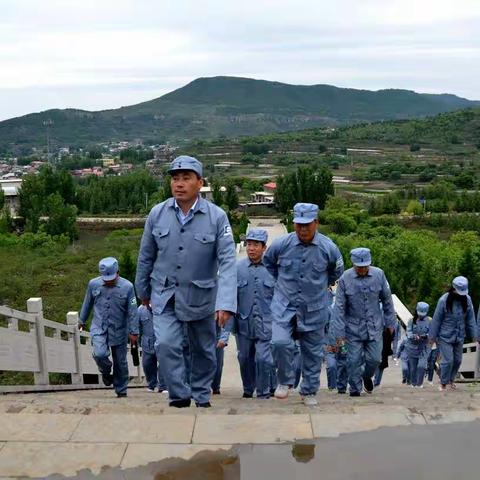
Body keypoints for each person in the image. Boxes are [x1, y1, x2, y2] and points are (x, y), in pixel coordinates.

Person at [135, 156, 237, 408]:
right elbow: (146, 256)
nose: (179, 184)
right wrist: (143, 291)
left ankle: (201, 394)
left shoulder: (217, 217)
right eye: (175, 178)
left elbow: (227, 262)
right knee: (166, 343)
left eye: (186, 178)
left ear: (199, 183)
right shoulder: (157, 214)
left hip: (201, 296)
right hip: (165, 294)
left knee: (203, 350)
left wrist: (225, 303)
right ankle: (179, 394)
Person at [263, 203, 344, 406]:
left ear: (316, 223)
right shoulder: (281, 244)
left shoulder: (328, 248)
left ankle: (309, 390)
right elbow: (269, 263)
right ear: (294, 224)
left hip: (314, 307)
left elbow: (336, 272)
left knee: (313, 352)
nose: (303, 229)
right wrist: (281, 283)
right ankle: (285, 380)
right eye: (299, 225)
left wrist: (321, 286)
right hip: (284, 305)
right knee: (279, 343)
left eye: (307, 225)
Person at [331, 247, 396, 397]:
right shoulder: (345, 279)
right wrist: (339, 333)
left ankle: (366, 376)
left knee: (375, 359)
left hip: (374, 327)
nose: (362, 270)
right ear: (353, 265)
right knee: (353, 361)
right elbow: (339, 308)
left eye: (365, 266)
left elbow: (387, 301)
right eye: (359, 267)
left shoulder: (379, 275)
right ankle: (355, 390)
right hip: (352, 328)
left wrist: (390, 323)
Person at [224, 228, 275, 399]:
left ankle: (263, 391)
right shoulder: (237, 268)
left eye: (255, 245)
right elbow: (231, 299)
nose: (251, 248)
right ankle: (248, 388)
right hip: (244, 324)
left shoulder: (273, 270)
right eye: (249, 244)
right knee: (244, 358)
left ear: (264, 247)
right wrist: (228, 328)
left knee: (263, 359)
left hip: (267, 324)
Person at [79, 257, 139, 398]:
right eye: (105, 278)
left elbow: (133, 311)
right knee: (100, 354)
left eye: (111, 277)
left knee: (121, 361)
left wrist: (134, 331)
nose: (108, 281)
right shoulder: (94, 284)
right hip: (99, 327)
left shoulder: (128, 287)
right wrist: (81, 320)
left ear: (118, 272)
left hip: (119, 329)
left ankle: (121, 389)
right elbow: (87, 303)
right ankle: (105, 371)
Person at [429, 276, 478, 392]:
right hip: (445, 336)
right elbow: (436, 320)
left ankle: (451, 380)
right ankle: (443, 382)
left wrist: (475, 336)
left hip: (459, 335)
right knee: (448, 360)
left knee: (458, 360)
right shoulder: (443, 301)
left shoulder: (468, 300)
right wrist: (432, 338)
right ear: (453, 289)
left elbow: (471, 319)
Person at [138, 304, 167, 393]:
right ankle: (151, 384)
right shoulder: (140, 310)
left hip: (162, 342)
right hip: (147, 343)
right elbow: (138, 326)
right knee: (147, 364)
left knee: (164, 364)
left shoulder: (164, 307)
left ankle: (164, 386)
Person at [406, 302, 431, 388]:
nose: (421, 315)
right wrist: (413, 336)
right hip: (413, 347)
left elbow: (432, 333)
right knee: (413, 368)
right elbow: (408, 331)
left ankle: (419, 384)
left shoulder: (430, 321)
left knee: (421, 366)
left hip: (424, 347)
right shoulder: (411, 320)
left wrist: (426, 336)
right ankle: (413, 383)